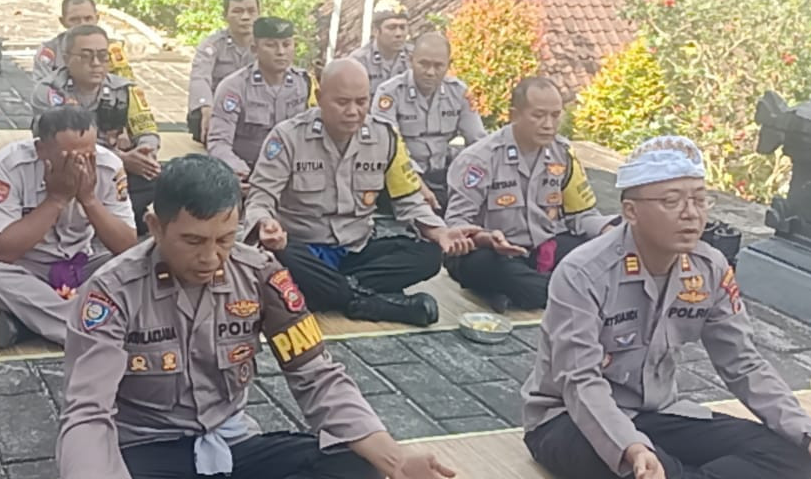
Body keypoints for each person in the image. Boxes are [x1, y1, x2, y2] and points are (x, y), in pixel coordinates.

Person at [55, 155, 458, 479]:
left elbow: (317, 377)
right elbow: (88, 410)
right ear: (155, 225)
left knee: (361, 471)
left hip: (231, 451)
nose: (211, 257)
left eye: (225, 239)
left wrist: (398, 462)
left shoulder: (262, 275)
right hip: (144, 458)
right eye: (193, 240)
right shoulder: (111, 291)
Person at [522, 135, 811, 479]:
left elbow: (743, 364)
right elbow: (580, 382)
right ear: (631, 211)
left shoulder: (709, 267)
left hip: (657, 411)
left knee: (795, 462)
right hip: (568, 420)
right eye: (671, 201)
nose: (690, 214)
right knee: (627, 462)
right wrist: (633, 450)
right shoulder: (583, 273)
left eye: (699, 199)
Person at [243, 59, 479, 327]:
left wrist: (439, 231)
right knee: (277, 255)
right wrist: (266, 223)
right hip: (303, 250)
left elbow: (407, 197)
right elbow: (260, 196)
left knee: (429, 255)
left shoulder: (385, 136)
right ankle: (368, 300)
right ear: (320, 98)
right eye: (342, 102)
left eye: (361, 102)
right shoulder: (287, 137)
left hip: (356, 250)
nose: (353, 111)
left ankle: (335, 294)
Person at [0, 106, 138, 348]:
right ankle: (92, 329)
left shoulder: (109, 166)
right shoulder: (9, 165)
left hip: (82, 266)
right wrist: (56, 199)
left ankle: (30, 324)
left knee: (144, 263)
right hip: (27, 271)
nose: (80, 162)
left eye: (88, 154)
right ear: (40, 149)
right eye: (68, 156)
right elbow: (2, 251)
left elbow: (127, 245)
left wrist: (89, 199)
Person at [446, 76, 615, 312]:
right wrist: (488, 239)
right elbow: (456, 225)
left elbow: (581, 214)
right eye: (538, 115)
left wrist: (608, 232)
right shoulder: (480, 159)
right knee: (491, 268)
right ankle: (567, 292)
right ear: (514, 115)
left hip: (541, 248)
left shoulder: (563, 154)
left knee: (603, 253)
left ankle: (518, 294)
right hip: (492, 253)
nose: (548, 124)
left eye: (555, 115)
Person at [32, 24, 161, 229]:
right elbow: (66, 144)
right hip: (64, 173)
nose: (95, 64)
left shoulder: (124, 89)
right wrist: (122, 158)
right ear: (66, 59)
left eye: (102, 56)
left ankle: (108, 218)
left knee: (172, 179)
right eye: (85, 56)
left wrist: (145, 153)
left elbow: (147, 129)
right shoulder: (50, 91)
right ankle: (111, 219)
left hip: (112, 173)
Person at [372, 30, 485, 210]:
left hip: (445, 177)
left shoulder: (459, 93)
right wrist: (418, 186)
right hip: (401, 181)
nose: (430, 72)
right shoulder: (389, 93)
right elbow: (388, 149)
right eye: (423, 64)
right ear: (411, 60)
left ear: (449, 65)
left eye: (438, 66)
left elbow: (478, 144)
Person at [206, 16, 316, 186]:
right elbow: (218, 143)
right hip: (248, 174)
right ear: (254, 49)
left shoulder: (304, 83)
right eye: (271, 45)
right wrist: (238, 170)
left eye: (286, 44)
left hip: (291, 175)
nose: (281, 52)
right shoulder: (234, 87)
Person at [185, 0, 259, 141]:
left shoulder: (266, 45)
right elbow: (200, 77)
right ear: (225, 15)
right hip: (218, 109)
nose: (245, 17)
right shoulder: (213, 45)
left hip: (256, 109)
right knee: (200, 119)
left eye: (251, 11)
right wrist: (206, 107)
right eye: (237, 11)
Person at [32, 0, 102, 80]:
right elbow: (43, 89)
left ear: (97, 18)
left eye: (88, 18)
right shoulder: (50, 52)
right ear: (62, 22)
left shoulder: (112, 50)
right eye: (74, 20)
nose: (82, 24)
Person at [347, 0, 411, 87]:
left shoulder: (415, 58)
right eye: (392, 28)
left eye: (402, 27)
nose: (398, 33)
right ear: (375, 31)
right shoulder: (359, 62)